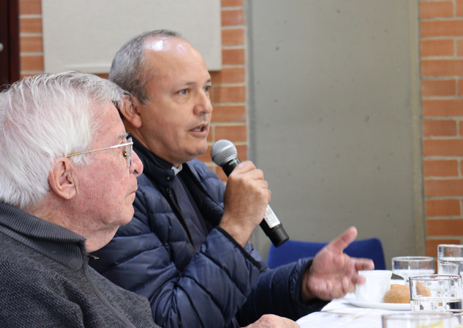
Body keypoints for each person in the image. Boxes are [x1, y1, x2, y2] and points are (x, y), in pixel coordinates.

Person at [90, 30, 375, 328]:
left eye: (207, 89)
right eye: (184, 92)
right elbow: (170, 322)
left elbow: (238, 297)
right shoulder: (118, 196)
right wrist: (235, 226)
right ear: (132, 109)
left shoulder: (195, 173)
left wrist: (304, 282)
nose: (205, 107)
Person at [0, 72, 159, 328]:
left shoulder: (33, 254)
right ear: (65, 178)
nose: (137, 166)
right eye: (123, 150)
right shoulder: (4, 285)